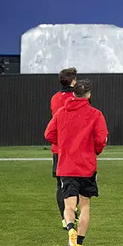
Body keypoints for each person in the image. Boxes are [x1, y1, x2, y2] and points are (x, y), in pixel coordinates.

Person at [44, 80, 108, 246]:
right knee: (85, 205)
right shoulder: (95, 114)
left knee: (69, 205)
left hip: (66, 165)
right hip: (86, 166)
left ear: (74, 94)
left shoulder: (61, 112)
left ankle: (70, 227)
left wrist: (64, 144)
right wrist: (96, 150)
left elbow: (48, 134)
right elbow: (101, 139)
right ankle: (78, 244)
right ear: (88, 95)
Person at [50, 67, 77, 229]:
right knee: (77, 181)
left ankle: (64, 217)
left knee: (61, 183)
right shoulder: (77, 98)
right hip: (75, 147)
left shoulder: (55, 98)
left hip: (58, 148)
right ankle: (73, 210)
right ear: (73, 81)